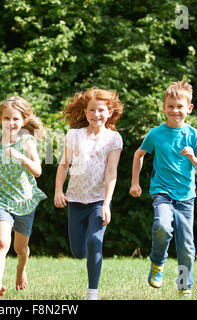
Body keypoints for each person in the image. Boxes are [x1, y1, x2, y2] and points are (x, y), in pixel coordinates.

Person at [129, 81, 197, 298]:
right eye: (171, 106)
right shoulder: (155, 134)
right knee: (162, 226)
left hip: (186, 198)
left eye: (180, 106)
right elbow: (139, 154)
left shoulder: (194, 135)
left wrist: (192, 157)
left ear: (189, 108)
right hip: (162, 192)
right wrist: (135, 182)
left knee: (186, 246)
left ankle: (185, 284)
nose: (175, 110)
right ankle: (157, 263)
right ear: (164, 108)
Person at [54, 88, 123, 300]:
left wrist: (106, 203)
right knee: (78, 251)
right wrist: (58, 190)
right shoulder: (73, 135)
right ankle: (85, 256)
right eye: (92, 110)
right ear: (85, 112)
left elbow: (112, 172)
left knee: (95, 241)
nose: (96, 114)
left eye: (101, 110)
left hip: (99, 201)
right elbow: (64, 164)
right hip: (75, 200)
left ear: (110, 112)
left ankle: (92, 292)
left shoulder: (114, 138)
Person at [0, 96, 47, 299]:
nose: (11, 122)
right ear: (0, 119)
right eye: (6, 118)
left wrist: (21, 157)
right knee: (2, 242)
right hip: (1, 198)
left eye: (15, 118)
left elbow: (38, 171)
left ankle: (21, 269)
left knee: (20, 248)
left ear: (23, 121)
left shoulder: (27, 141)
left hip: (24, 200)